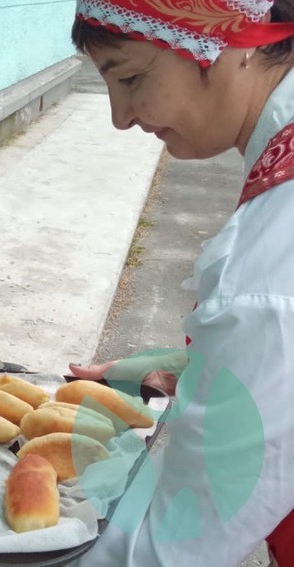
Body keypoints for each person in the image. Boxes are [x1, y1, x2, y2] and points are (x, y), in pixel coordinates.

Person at [66, 0, 294, 564]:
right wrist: (193, 366)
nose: (120, 116)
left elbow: (176, 545)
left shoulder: (269, 249)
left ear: (232, 40)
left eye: (132, 76)